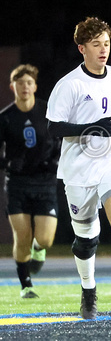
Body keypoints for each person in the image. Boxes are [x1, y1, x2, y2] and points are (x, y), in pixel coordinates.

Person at [46, 17, 111, 319]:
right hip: (78, 170)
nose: (103, 50)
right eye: (96, 44)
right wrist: (90, 127)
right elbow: (53, 128)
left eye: (106, 43)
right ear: (82, 48)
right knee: (86, 241)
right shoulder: (70, 85)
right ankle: (88, 292)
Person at [0, 64, 60, 299]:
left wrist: (54, 161)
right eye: (20, 82)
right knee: (22, 237)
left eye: (29, 82)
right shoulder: (5, 118)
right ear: (12, 86)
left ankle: (39, 250)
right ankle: (26, 284)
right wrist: (7, 164)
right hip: (17, 184)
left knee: (44, 239)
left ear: (35, 86)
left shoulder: (48, 111)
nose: (24, 87)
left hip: (44, 182)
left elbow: (61, 139)